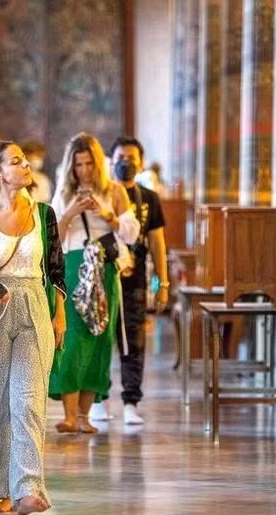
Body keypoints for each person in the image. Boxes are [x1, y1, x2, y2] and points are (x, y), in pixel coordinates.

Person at [0, 140, 66, 515]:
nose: (25, 166)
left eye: (24, 160)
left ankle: (29, 489)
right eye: (16, 162)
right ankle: (0, 489)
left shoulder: (44, 214)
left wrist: (59, 315)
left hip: (34, 307)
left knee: (29, 401)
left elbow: (56, 270)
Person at [48, 133, 140, 433]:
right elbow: (52, 238)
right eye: (78, 165)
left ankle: (84, 416)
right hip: (73, 267)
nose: (84, 170)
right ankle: (69, 415)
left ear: (98, 163)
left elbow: (131, 234)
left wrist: (107, 215)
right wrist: (70, 212)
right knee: (72, 339)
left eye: (89, 164)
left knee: (100, 339)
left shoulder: (114, 190)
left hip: (104, 270)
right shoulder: (64, 193)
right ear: (71, 166)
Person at [90, 135, 168, 425]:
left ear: (141, 163)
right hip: (102, 275)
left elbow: (157, 241)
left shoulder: (149, 198)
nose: (126, 163)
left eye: (131, 159)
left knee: (134, 340)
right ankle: (98, 398)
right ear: (110, 162)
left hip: (135, 277)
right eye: (120, 158)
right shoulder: (100, 194)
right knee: (99, 337)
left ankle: (131, 402)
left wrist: (163, 283)